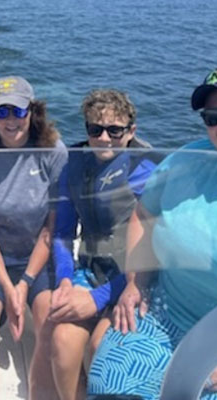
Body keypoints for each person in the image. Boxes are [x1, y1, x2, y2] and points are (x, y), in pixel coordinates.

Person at [88, 66, 217, 399]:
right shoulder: (186, 161)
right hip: (166, 312)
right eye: (213, 117)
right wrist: (136, 282)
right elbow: (144, 214)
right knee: (108, 382)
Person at [0, 75, 68, 400]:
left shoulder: (53, 151)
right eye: (1, 112)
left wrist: (25, 283)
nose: (10, 121)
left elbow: (53, 227)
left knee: (50, 319)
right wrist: (8, 286)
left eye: (18, 112)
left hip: (39, 253)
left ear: (32, 112)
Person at [48, 89, 157, 400]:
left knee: (101, 345)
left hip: (136, 276)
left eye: (115, 130)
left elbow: (154, 248)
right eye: (95, 130)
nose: (104, 138)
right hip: (91, 268)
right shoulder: (73, 165)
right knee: (62, 340)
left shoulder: (146, 169)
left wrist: (98, 299)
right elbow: (63, 233)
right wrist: (65, 279)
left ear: (131, 131)